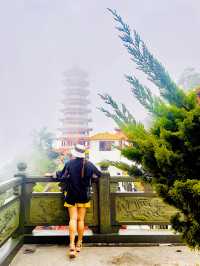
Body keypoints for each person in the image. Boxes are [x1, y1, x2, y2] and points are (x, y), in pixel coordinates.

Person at [55, 144, 101, 259]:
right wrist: (90, 178)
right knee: (81, 220)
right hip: (83, 196)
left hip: (71, 195)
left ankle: (71, 244)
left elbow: (61, 176)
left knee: (73, 219)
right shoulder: (89, 165)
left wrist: (52, 174)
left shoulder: (69, 163)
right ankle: (79, 243)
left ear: (75, 154)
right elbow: (99, 174)